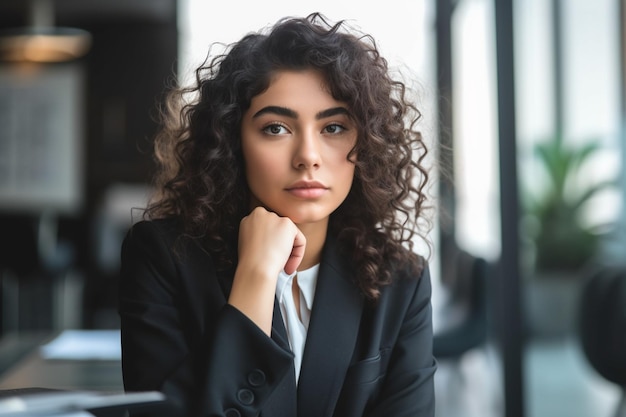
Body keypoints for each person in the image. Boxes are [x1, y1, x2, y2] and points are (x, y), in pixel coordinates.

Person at [118, 12, 436, 417]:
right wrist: (255, 278)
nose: (307, 156)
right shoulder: (165, 257)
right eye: (276, 128)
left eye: (334, 127)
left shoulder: (400, 279)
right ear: (233, 142)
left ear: (367, 142)